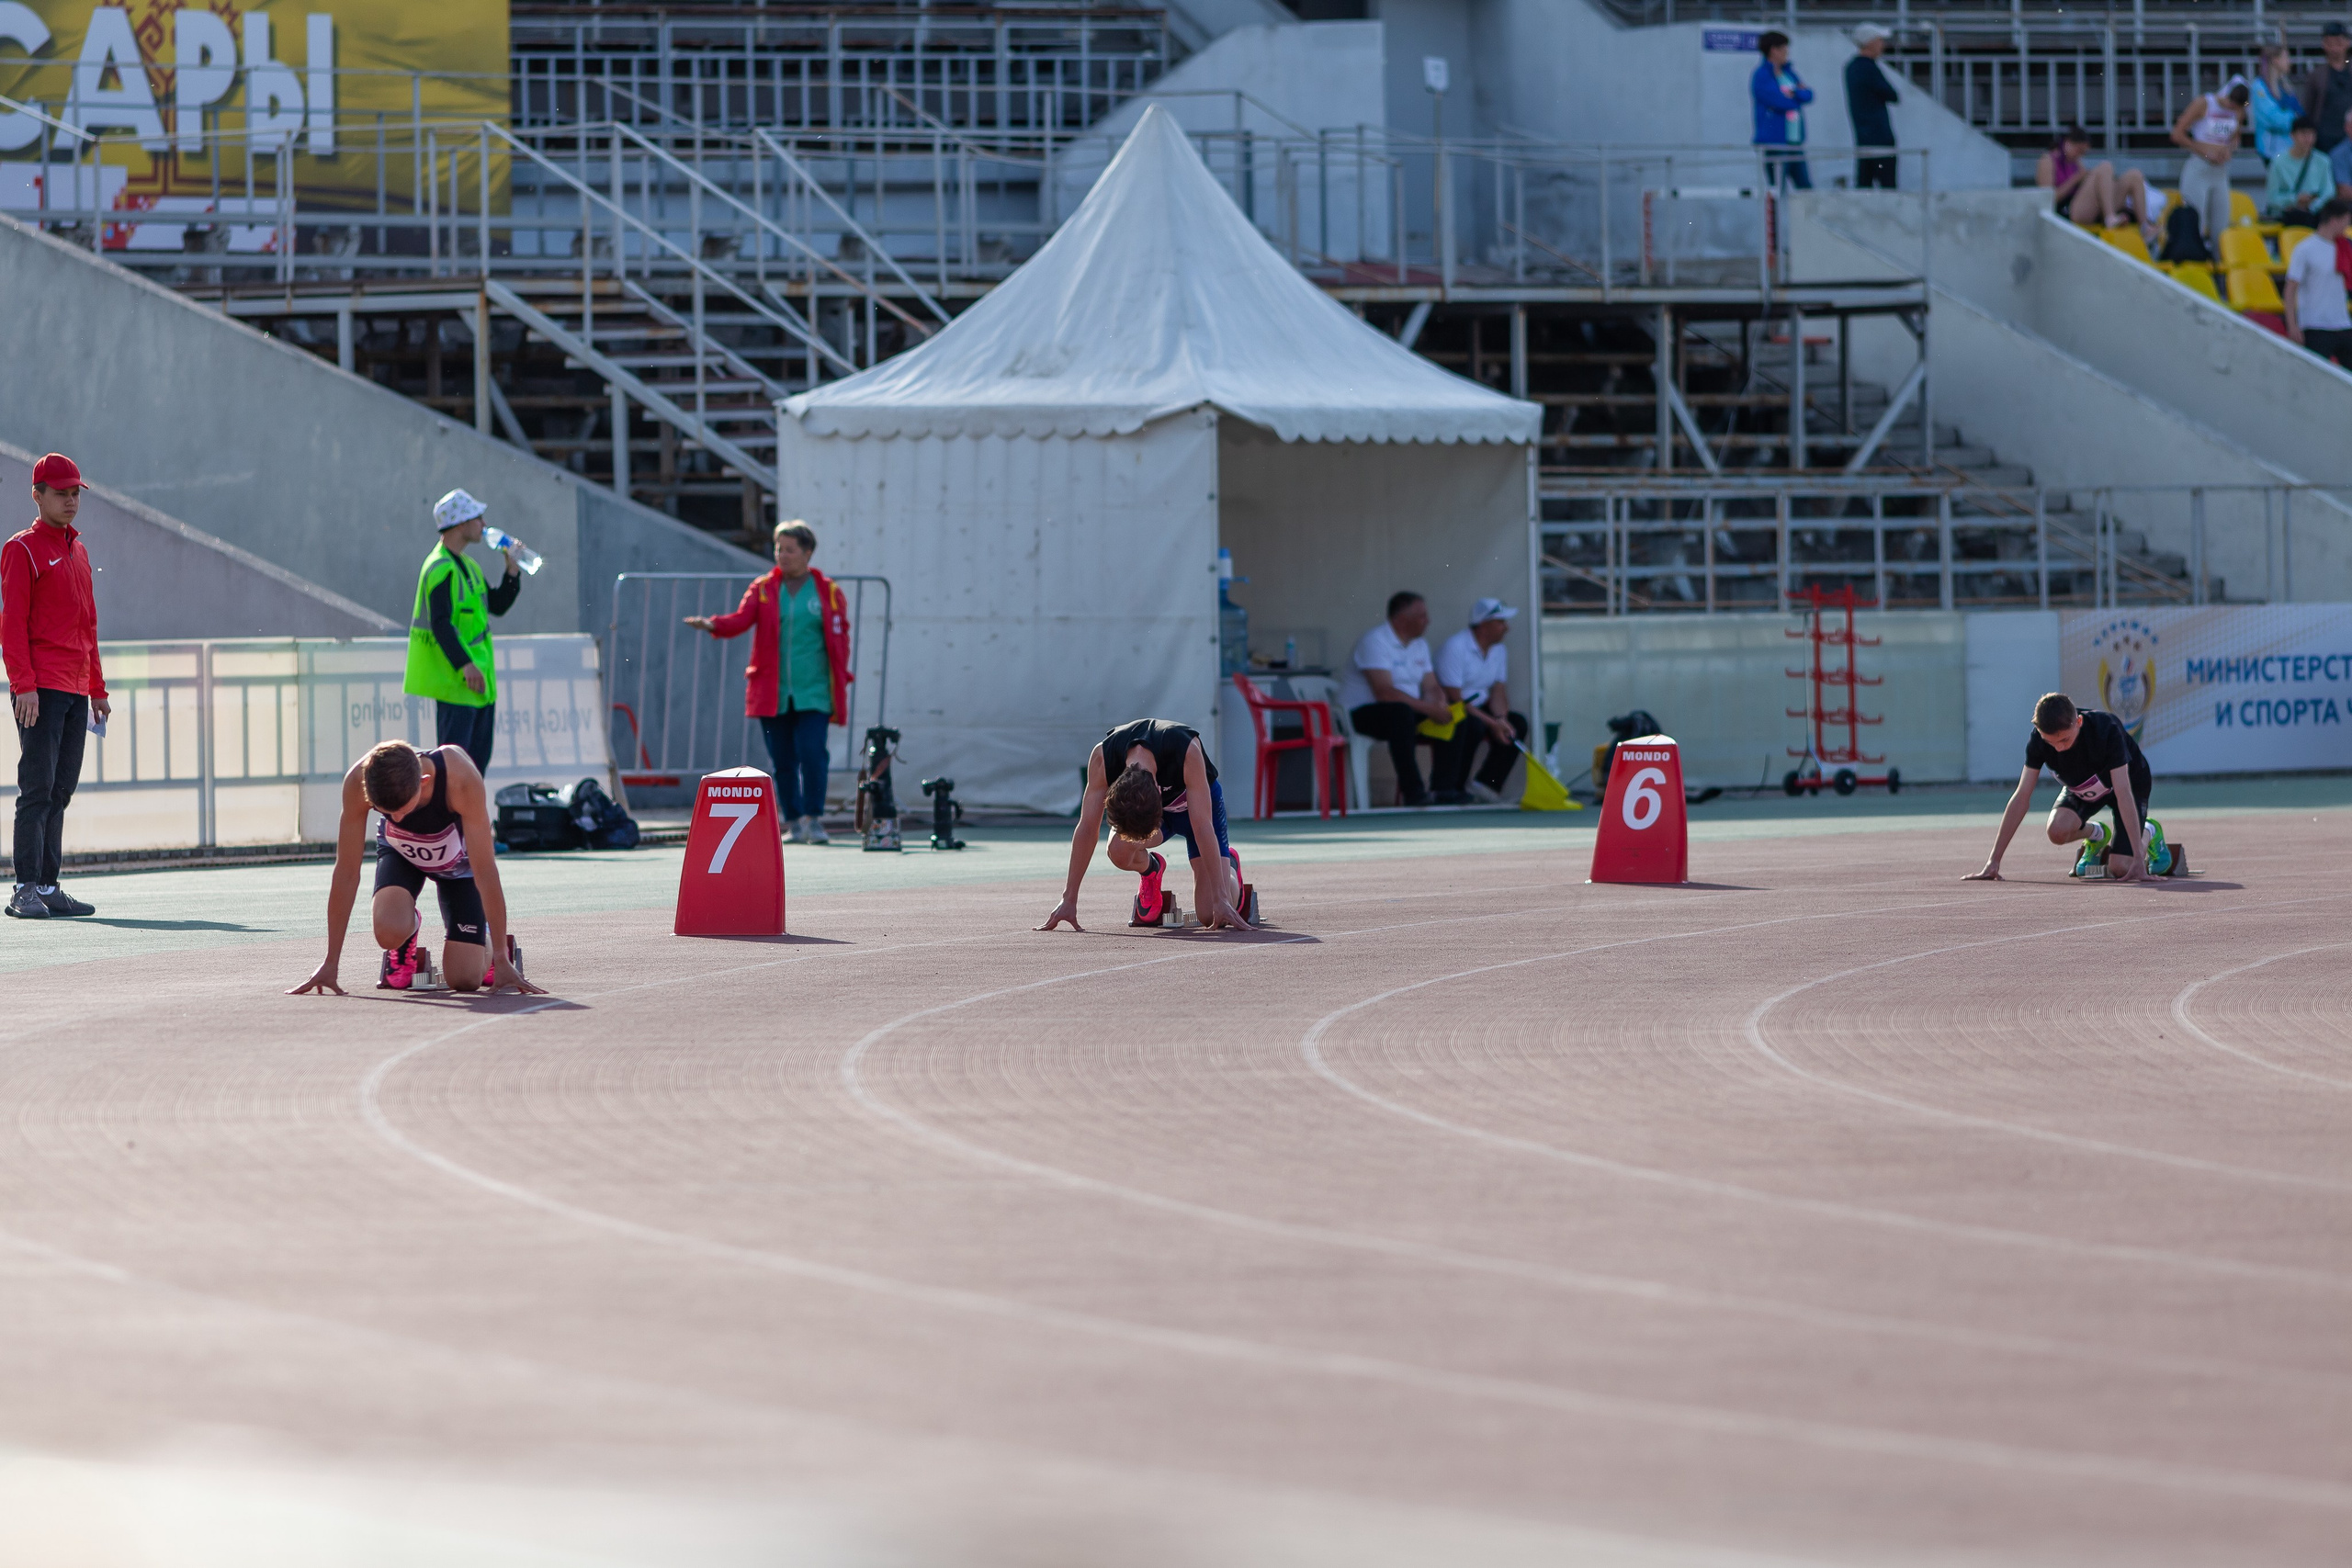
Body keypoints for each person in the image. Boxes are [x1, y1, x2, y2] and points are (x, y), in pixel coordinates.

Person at [288, 739, 542, 996]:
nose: (398, 819)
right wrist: (331, 962)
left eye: (402, 809)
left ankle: (489, 940)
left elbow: (486, 871)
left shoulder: (460, 778)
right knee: (388, 932)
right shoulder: (358, 780)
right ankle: (407, 929)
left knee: (464, 979)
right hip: (402, 854)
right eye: (386, 812)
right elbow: (346, 872)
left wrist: (500, 958)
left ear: (424, 781)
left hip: (459, 865)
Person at [683, 520, 852, 844]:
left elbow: (841, 637)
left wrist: (840, 677)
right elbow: (741, 619)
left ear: (808, 553)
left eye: (790, 549)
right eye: (778, 548)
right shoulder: (762, 588)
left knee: (813, 753)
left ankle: (815, 818)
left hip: (814, 689)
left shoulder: (828, 592)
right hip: (772, 692)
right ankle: (793, 821)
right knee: (783, 759)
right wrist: (711, 624)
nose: (782, 555)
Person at [2, 453, 108, 920]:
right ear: (37, 494)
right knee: (37, 789)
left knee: (62, 789)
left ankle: (47, 885)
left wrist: (98, 690)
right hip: (40, 687)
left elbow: (89, 625)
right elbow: (12, 624)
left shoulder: (78, 550)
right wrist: (22, 684)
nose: (69, 500)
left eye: (74, 493)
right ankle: (23, 889)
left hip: (76, 688)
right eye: (60, 492)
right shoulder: (21, 549)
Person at [1037, 718, 1249, 933]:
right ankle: (1151, 870)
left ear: (1158, 791)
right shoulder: (1103, 758)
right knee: (1118, 849)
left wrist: (1221, 898)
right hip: (1158, 816)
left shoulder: (1186, 750)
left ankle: (1230, 867)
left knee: (1209, 914)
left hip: (1199, 810)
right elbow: (1087, 828)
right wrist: (1069, 898)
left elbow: (1203, 827)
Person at [1964, 693, 2166, 885]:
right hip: (2083, 787)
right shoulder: (2038, 739)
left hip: (2128, 784)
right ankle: (2097, 834)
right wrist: (1994, 861)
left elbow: (2123, 792)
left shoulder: (2106, 728)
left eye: (2064, 740)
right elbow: (2021, 797)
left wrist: (2140, 860)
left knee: (2121, 868)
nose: (2059, 748)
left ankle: (2148, 830)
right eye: (2050, 742)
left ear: (2078, 722)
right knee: (2056, 831)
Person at [405, 489, 522, 777]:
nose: (483, 524)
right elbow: (441, 624)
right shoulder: (439, 568)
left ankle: (468, 824)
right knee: (454, 772)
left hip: (479, 687)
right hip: (457, 684)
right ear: (460, 524)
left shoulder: (468, 566)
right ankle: (452, 824)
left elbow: (496, 605)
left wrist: (512, 572)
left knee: (474, 771)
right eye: (477, 518)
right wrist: (465, 664)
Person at [1340, 592, 1451, 807]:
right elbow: (1385, 693)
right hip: (1361, 714)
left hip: (1403, 710)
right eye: (1422, 616)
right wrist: (1429, 709)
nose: (1427, 621)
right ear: (1401, 619)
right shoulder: (1375, 641)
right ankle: (1414, 792)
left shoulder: (1420, 645)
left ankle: (1445, 790)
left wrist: (1439, 702)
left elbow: (1431, 685)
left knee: (1456, 718)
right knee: (1400, 713)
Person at [1430, 598, 1529, 806]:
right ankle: (1453, 788)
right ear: (1484, 626)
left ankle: (1486, 786)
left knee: (1517, 723)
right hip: (1454, 708)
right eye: (1501, 622)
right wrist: (1492, 723)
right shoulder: (1455, 647)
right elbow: (1455, 697)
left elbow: (1498, 689)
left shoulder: (1499, 650)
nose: (1507, 628)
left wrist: (1501, 719)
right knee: (1472, 725)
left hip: (1481, 707)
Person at [2170, 81, 2247, 248]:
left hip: (2219, 172)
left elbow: (2235, 137)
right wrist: (2202, 150)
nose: (2231, 108)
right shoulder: (2205, 103)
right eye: (2230, 104)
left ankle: (2219, 269)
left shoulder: (2239, 111)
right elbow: (2177, 134)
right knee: (2195, 224)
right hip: (2199, 168)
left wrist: (2228, 150)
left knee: (2221, 230)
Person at [2036, 127, 2153, 231]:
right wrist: (2076, 178)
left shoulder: (2076, 162)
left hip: (2087, 206)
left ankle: (2144, 227)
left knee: (2134, 175)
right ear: (2068, 143)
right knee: (2105, 167)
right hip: (2067, 210)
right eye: (2079, 151)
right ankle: (2110, 217)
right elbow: (2048, 198)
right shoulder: (2048, 160)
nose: (2080, 156)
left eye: (2083, 153)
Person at [2284, 198, 2352, 363]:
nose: (2347, 227)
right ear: (2335, 221)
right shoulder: (2305, 249)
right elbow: (2291, 288)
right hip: (2315, 325)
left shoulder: (2344, 248)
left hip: (2342, 323)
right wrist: (2292, 325)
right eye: (2345, 222)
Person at [1751, 32, 1814, 191]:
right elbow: (1778, 101)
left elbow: (1809, 94)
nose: (1787, 52)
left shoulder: (1789, 73)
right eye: (1784, 48)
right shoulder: (1762, 75)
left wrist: (1794, 94)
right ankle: (1776, 217)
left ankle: (1804, 217)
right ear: (1774, 50)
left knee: (1805, 188)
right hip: (1775, 142)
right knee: (1777, 189)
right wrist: (1796, 95)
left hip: (1795, 141)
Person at [1845, 24, 1901, 190]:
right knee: (1887, 185)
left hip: (1862, 135)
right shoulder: (1869, 68)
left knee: (1864, 184)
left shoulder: (1851, 68)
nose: (1882, 45)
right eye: (1879, 40)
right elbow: (1892, 95)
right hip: (1880, 136)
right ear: (1870, 43)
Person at [2265, 117, 2334, 220]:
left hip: (2314, 215)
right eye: (2303, 134)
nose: (2308, 138)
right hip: (2288, 215)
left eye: (2312, 134)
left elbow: (2329, 193)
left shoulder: (2323, 161)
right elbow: (2272, 197)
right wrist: (2295, 199)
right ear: (2292, 135)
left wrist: (2312, 205)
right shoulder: (2278, 162)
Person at [2251, 43, 2303, 162]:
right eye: (2286, 58)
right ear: (2275, 60)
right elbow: (2272, 118)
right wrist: (2296, 119)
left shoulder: (2285, 87)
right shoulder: (2259, 87)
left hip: (2290, 147)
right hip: (2272, 150)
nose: (2289, 62)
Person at [2307, 22, 2352, 155]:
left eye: (2338, 43)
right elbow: (2309, 109)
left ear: (2347, 43)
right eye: (2330, 43)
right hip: (2324, 140)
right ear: (2324, 45)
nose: (2334, 48)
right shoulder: (2316, 75)